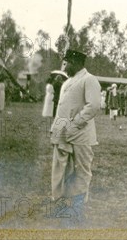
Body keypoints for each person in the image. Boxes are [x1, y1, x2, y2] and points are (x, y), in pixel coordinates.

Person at [50, 49, 101, 225]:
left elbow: (93, 106)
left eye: (67, 63)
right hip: (62, 135)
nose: (64, 67)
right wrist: (55, 130)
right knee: (60, 171)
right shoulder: (67, 83)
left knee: (81, 171)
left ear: (76, 63)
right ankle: (60, 206)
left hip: (81, 135)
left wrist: (75, 124)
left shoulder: (89, 79)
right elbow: (61, 109)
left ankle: (77, 210)